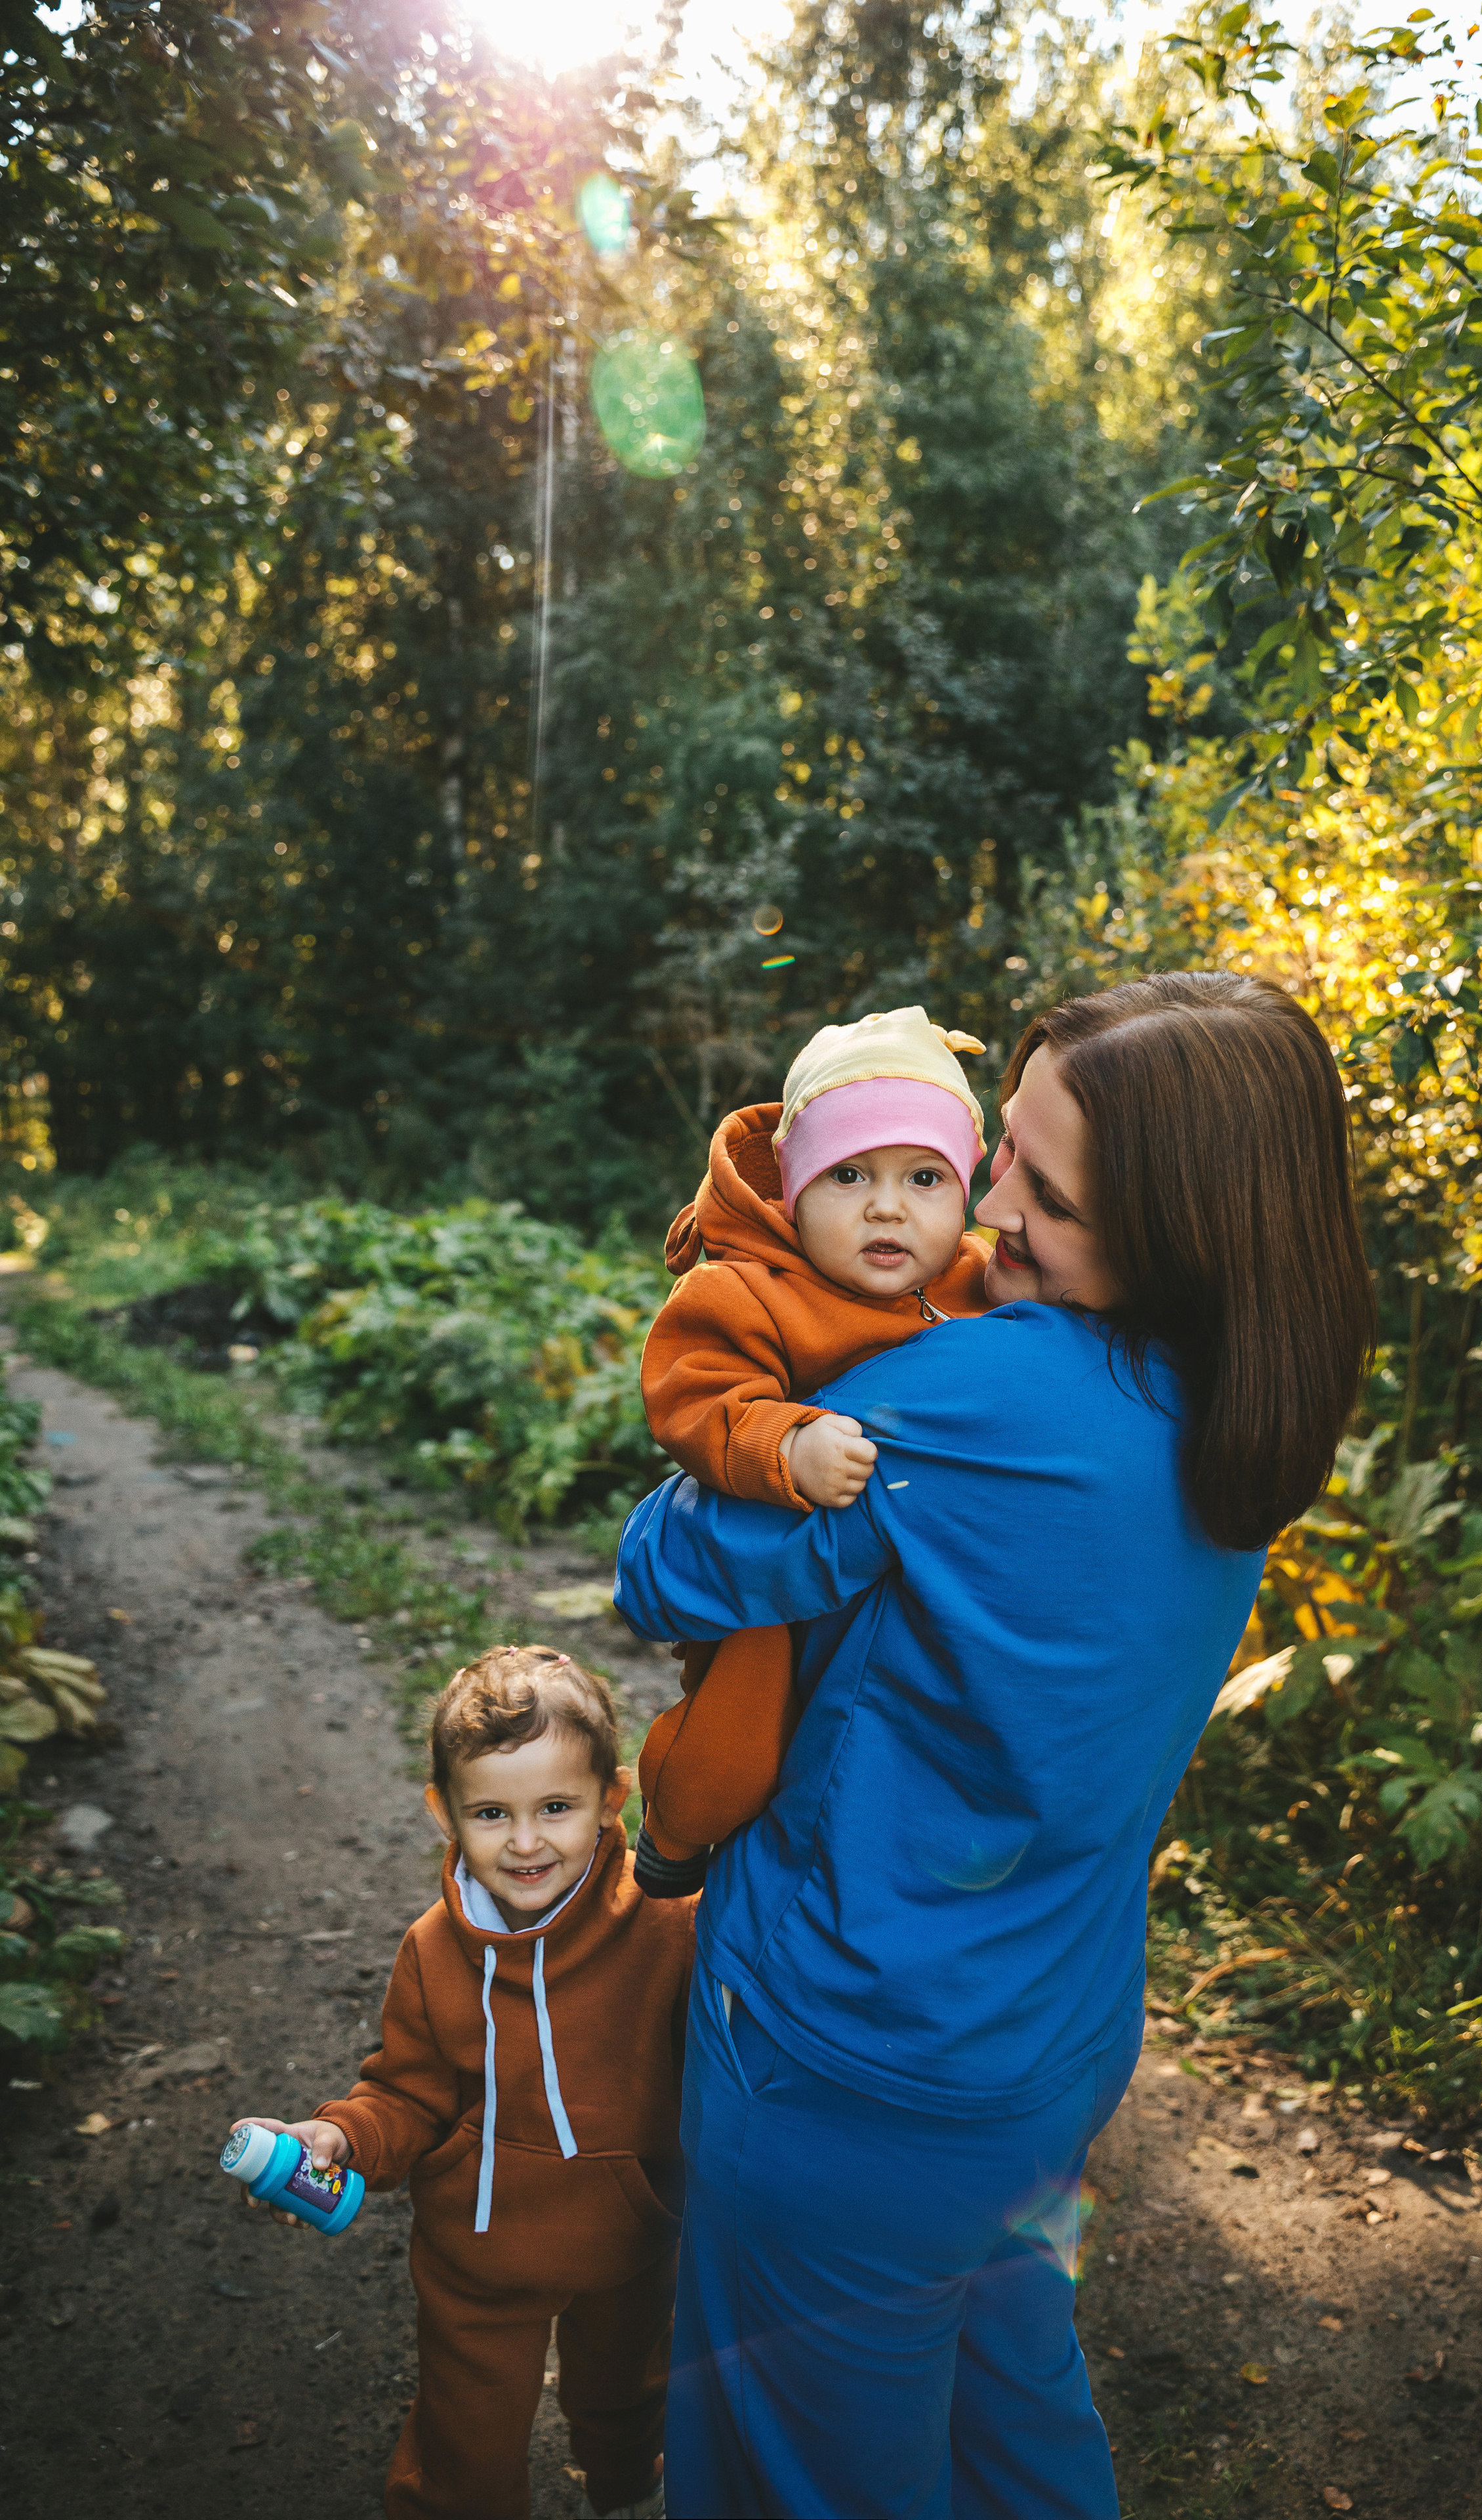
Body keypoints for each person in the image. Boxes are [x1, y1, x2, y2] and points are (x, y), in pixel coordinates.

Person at [613, 972, 1376, 2520]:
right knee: (1012, 2418)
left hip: (848, 2071)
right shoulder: (1241, 1396)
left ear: (1177, 1235)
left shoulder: (974, 1392)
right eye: (999, 1147)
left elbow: (667, 1568)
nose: (986, 1209)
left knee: (803, 2475)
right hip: (1049, 2057)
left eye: (1048, 1193)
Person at [229, 1647, 694, 2520]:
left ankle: (629, 2491)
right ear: (446, 1812)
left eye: (557, 1807)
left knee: (630, 2394)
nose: (526, 1842)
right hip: (478, 2252)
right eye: (492, 1813)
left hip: (632, 2236)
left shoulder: (669, 1926)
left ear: (612, 1800)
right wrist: (341, 2137)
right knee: (465, 2435)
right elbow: (406, 2096)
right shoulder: (435, 1953)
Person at [633, 1004, 993, 1896]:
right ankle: (674, 1838)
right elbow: (696, 1395)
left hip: (909, 1577)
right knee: (737, 1746)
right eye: (848, 1176)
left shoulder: (978, 1279)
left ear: (965, 1192)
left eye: (923, 1177)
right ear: (793, 1190)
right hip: (779, 1579)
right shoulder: (746, 1289)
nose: (886, 1206)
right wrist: (784, 1442)